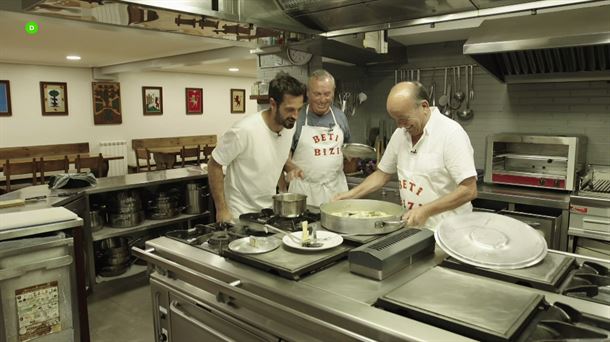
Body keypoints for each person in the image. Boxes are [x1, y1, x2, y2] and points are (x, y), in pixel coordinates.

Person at [334, 81, 477, 230]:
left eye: (404, 118)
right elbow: (382, 175)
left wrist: (426, 211)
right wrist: (349, 196)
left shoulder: (451, 134)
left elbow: (469, 190)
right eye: (395, 119)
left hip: (448, 233)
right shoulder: (400, 134)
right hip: (413, 230)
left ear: (424, 107)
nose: (400, 125)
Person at [208, 73, 307, 223]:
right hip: (238, 213)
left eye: (299, 109)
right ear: (273, 104)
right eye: (290, 109)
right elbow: (214, 164)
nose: (295, 115)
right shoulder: (244, 130)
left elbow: (272, 154)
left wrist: (290, 167)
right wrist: (221, 210)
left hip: (268, 210)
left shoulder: (289, 127)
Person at [283, 69, 351, 206]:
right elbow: (283, 155)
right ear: (308, 93)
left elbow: (348, 149)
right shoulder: (297, 117)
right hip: (304, 191)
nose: (322, 99)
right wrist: (290, 168)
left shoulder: (340, 117)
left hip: (336, 190)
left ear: (333, 92)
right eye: (317, 94)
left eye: (327, 94)